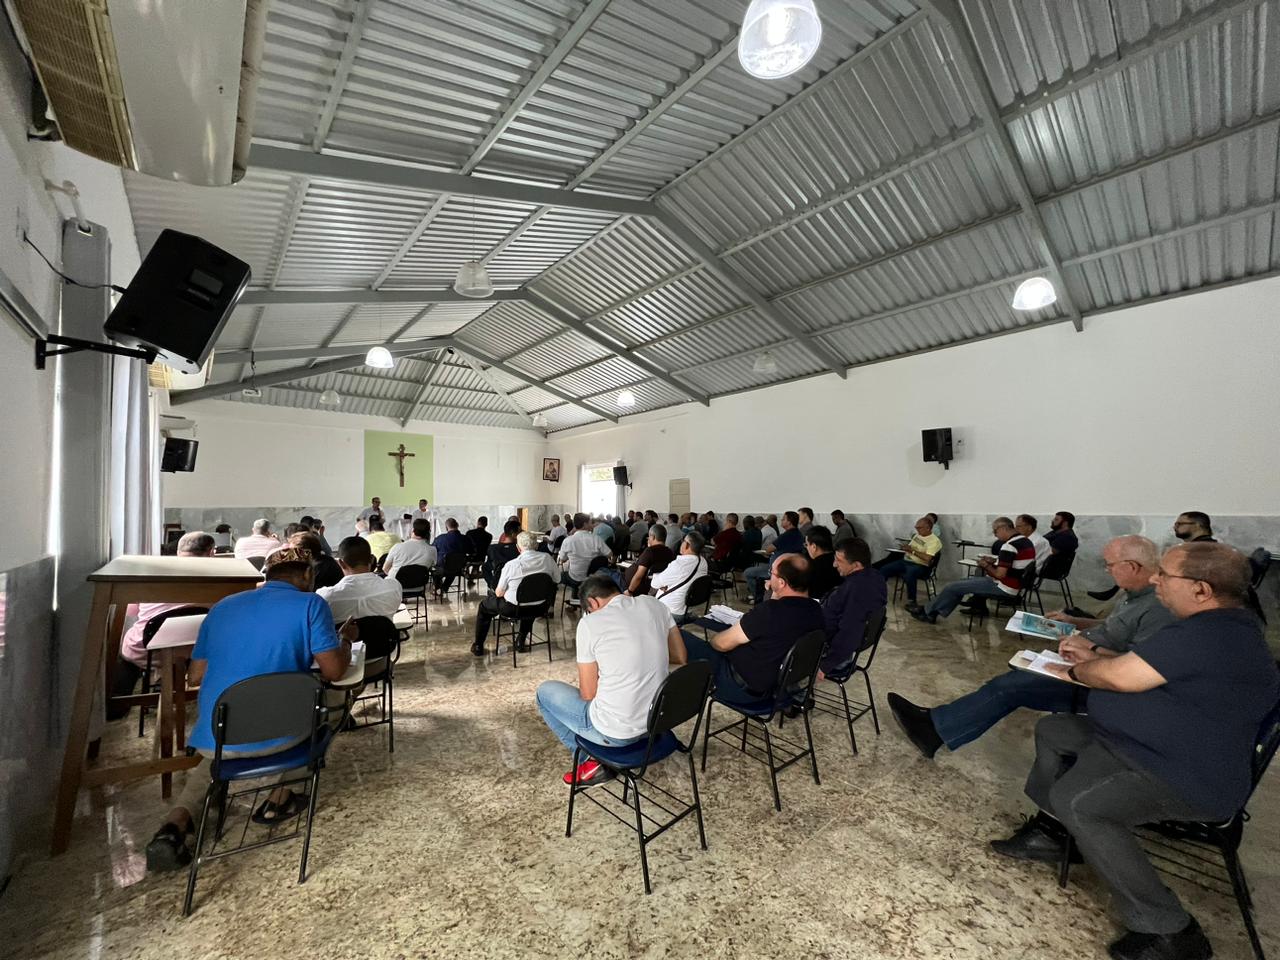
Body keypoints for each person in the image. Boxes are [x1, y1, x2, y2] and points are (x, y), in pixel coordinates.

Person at [989, 543, 1279, 960]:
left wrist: (1075, 668)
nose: (1156, 579)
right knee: (1055, 730)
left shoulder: (1211, 633)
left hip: (1183, 772)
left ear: (1201, 589)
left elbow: (1123, 677)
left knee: (1082, 803)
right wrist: (1098, 654)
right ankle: (1053, 833)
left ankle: (1170, 930)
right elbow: (1151, 668)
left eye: (1165, 574)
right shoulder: (1218, 624)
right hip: (1148, 743)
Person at [144, 547, 355, 871]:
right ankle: (282, 795)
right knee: (337, 701)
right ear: (307, 576)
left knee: (216, 757)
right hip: (283, 734)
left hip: (219, 736)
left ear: (266, 576)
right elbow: (334, 673)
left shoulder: (222, 608)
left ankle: (176, 823)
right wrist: (343, 642)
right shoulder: (311, 604)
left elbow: (196, 675)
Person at [889, 536, 1176, 757]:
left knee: (1010, 687)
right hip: (1083, 660)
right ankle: (939, 721)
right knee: (1016, 671)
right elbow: (1111, 629)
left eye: (1110, 565)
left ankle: (934, 731)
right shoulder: (1133, 595)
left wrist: (1091, 653)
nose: (1107, 570)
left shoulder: (1157, 607)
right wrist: (1071, 621)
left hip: (1098, 679)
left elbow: (1141, 668)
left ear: (1133, 567)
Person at [535, 575, 687, 784]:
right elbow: (680, 656)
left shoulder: (590, 623)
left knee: (544, 693)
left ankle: (589, 760)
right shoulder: (654, 605)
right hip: (658, 723)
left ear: (593, 603)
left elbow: (588, 694)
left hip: (617, 733)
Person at [680, 554, 824, 705]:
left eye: (771, 573)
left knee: (681, 636)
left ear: (781, 582)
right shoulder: (816, 610)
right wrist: (775, 594)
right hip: (778, 688)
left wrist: (717, 640)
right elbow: (780, 622)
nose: (769, 577)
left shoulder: (769, 612)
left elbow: (721, 644)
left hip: (741, 689)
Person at [110, 532, 218, 717]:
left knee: (130, 638)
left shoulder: (152, 574)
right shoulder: (220, 579)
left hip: (147, 651)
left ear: (178, 551)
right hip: (194, 654)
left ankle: (119, 703)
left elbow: (131, 612)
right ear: (211, 553)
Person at [911, 517, 1034, 624]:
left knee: (952, 587)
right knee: (960, 584)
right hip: (1015, 586)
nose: (995, 534)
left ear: (1003, 528)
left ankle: (928, 613)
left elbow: (1000, 574)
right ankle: (932, 612)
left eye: (995, 531)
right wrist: (994, 562)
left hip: (1003, 587)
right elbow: (1015, 565)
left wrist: (985, 565)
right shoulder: (1026, 541)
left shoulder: (1009, 546)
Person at [473, 530, 561, 656]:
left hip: (513, 609)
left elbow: (499, 593)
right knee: (530, 598)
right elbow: (557, 580)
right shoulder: (547, 559)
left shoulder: (512, 565)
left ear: (518, 548)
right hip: (540, 607)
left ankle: (478, 645)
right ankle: (520, 640)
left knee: (484, 607)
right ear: (536, 545)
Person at [819, 538, 887, 677]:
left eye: (839, 560)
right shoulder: (876, 576)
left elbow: (851, 630)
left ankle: (793, 695)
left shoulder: (857, 589)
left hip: (830, 653)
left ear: (856, 565)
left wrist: (826, 665)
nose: (834, 564)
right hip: (838, 645)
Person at [316, 537, 403, 621]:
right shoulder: (394, 587)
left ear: (341, 563)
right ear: (372, 559)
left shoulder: (325, 598)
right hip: (386, 636)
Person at [876, 516, 943, 611]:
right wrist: (905, 547)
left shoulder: (934, 541)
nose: (917, 530)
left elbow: (928, 558)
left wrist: (912, 551)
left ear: (928, 528)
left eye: (919, 528)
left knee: (910, 574)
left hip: (922, 566)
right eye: (916, 527)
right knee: (884, 569)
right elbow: (911, 548)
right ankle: (878, 595)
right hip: (906, 561)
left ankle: (912, 601)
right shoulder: (917, 536)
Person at [744, 511, 804, 603]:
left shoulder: (786, 535)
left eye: (783, 519)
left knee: (748, 572)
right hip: (790, 569)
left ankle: (758, 598)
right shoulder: (799, 535)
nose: (781, 520)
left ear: (789, 522)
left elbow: (769, 549)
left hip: (778, 570)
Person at [650, 530, 709, 622]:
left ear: (687, 545)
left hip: (669, 611)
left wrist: (658, 576)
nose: (681, 544)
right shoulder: (703, 562)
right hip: (688, 609)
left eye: (683, 541)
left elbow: (654, 584)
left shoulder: (679, 565)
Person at [559, 512, 611, 597]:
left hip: (574, 578)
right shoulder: (596, 539)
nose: (592, 524)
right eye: (590, 522)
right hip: (592, 579)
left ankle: (572, 602)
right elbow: (609, 554)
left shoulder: (568, 540)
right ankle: (580, 600)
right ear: (585, 524)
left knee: (562, 575)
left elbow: (562, 559)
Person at [618, 524, 674, 597]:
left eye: (649, 537)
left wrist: (629, 591)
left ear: (653, 537)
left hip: (634, 587)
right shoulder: (670, 553)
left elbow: (639, 575)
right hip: (651, 586)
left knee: (612, 574)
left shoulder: (650, 551)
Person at [432, 518, 470, 594]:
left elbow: (432, 551)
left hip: (443, 568)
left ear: (446, 527)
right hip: (459, 568)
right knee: (452, 568)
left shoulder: (440, 538)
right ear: (457, 526)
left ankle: (438, 587)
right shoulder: (466, 538)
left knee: (435, 571)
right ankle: (443, 588)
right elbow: (472, 551)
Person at [804, 526, 842, 600]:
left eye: (807, 545)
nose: (807, 548)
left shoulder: (811, 568)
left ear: (814, 547)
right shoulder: (842, 562)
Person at [483, 519, 521, 589]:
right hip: (518, 584)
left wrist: (492, 584)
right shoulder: (519, 549)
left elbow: (486, 568)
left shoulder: (493, 549)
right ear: (514, 534)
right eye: (520, 532)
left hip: (499, 584)